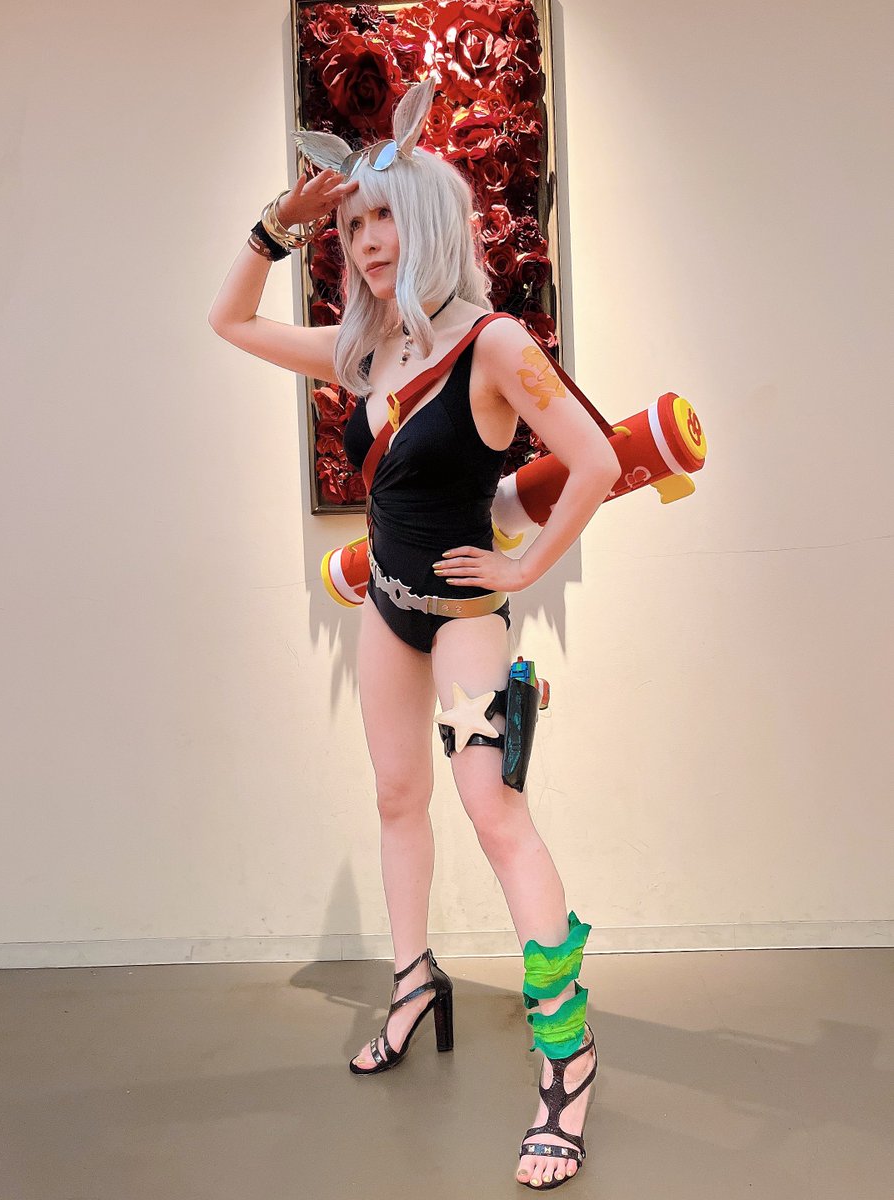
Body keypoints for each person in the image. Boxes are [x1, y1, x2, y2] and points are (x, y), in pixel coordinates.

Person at [208, 78, 621, 1191]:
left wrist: (525, 566)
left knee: (495, 814)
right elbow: (231, 321)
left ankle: (568, 1060)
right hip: (387, 610)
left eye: (383, 217)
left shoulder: (493, 344)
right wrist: (277, 224)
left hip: (468, 619)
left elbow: (594, 459)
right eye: (352, 226)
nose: (367, 241)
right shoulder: (360, 352)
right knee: (397, 799)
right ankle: (412, 983)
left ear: (430, 217)